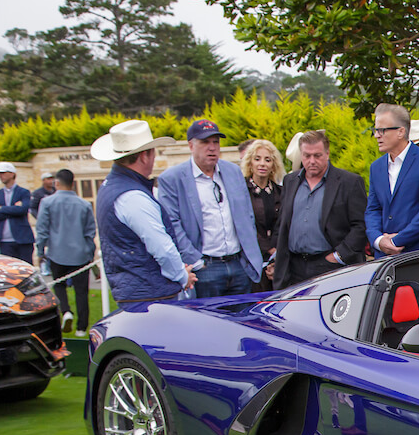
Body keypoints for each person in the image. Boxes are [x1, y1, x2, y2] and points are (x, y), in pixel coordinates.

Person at [89, 119, 196, 306]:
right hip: (149, 295)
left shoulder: (113, 185)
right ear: (145, 155)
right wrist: (182, 276)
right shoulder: (132, 196)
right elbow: (161, 247)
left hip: (137, 290)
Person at [157, 119, 264, 298]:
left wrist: (248, 256)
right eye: (205, 142)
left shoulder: (233, 171)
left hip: (238, 264)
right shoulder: (172, 179)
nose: (212, 148)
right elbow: (172, 224)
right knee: (209, 323)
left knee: (241, 323)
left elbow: (247, 215)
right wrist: (196, 262)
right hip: (205, 267)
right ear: (191, 145)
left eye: (216, 142)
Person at [273, 130, 368, 289]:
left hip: (329, 265)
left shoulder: (349, 182)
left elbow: (361, 225)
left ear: (327, 153)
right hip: (294, 267)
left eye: (317, 156)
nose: (311, 161)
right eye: (306, 156)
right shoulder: (290, 181)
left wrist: (339, 256)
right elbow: (283, 222)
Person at [365, 103, 419, 257]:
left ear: (401, 131)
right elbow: (373, 209)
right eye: (376, 130)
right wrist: (378, 240)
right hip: (386, 258)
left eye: (382, 130)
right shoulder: (376, 167)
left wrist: (397, 241)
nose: (377, 135)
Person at [35, 169, 96, 335]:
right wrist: (90, 254)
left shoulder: (47, 202)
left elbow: (42, 230)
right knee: (81, 291)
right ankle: (82, 328)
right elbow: (90, 233)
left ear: (56, 183)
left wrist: (40, 252)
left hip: (57, 252)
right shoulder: (84, 204)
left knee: (59, 285)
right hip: (80, 254)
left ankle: (66, 311)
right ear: (73, 183)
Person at [240, 138, 284, 291]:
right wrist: (270, 250)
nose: (262, 164)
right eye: (257, 159)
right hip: (251, 259)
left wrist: (276, 255)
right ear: (250, 163)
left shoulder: (281, 192)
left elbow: (283, 224)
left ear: (274, 165)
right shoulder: (241, 191)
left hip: (277, 258)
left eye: (267, 160)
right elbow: (245, 225)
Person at [0, 162, 35, 263]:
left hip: (23, 239)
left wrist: (2, 208)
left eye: (3, 173)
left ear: (12, 174)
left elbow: (23, 210)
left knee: (26, 269)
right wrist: (13, 208)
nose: (0, 176)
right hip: (4, 242)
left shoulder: (24, 192)